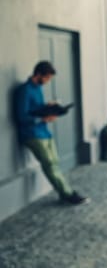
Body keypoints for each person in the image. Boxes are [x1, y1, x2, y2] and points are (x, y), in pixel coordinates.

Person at [14, 61, 89, 205]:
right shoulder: (24, 91)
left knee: (55, 162)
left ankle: (64, 192)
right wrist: (43, 118)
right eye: (47, 78)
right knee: (49, 164)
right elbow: (22, 117)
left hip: (45, 132)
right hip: (32, 134)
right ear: (38, 74)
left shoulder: (38, 89)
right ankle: (68, 194)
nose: (48, 81)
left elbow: (37, 108)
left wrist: (49, 107)